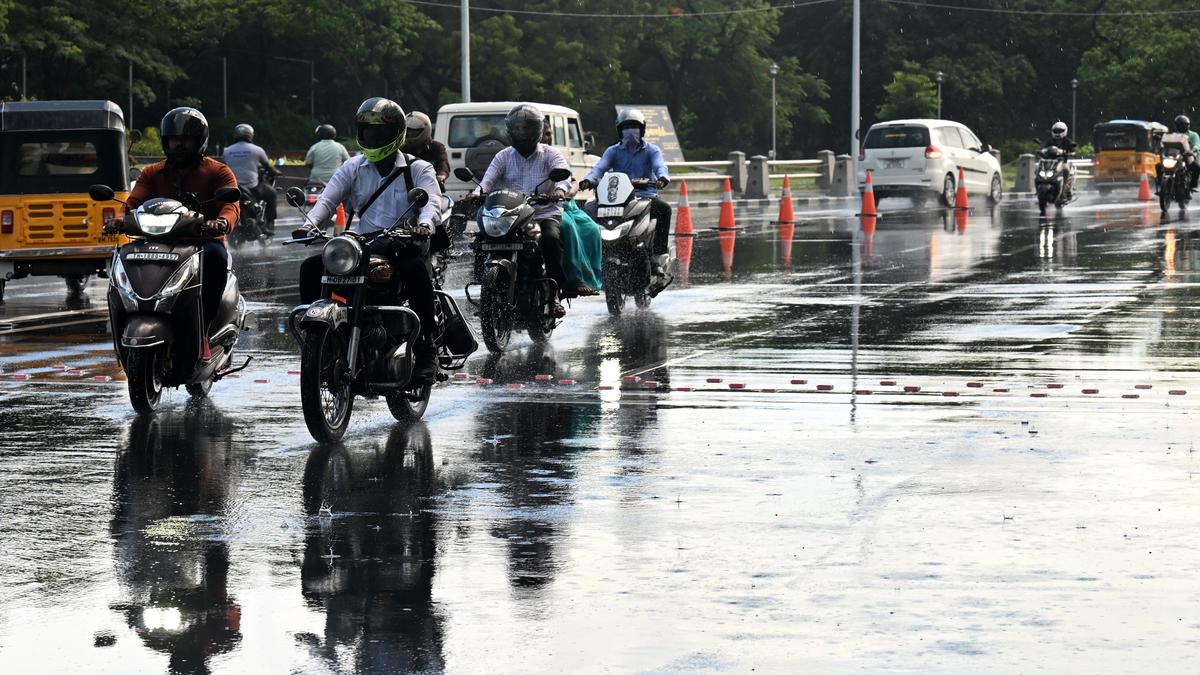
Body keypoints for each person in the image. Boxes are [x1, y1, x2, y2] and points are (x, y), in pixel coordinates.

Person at [299, 97, 443, 384]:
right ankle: (320, 340)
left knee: (416, 271)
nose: (372, 137)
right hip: (363, 245)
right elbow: (328, 199)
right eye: (367, 132)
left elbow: (432, 202)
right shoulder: (353, 167)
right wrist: (310, 224)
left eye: (379, 132)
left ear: (396, 134)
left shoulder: (418, 169)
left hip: (403, 242)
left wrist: (425, 225)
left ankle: (428, 348)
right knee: (311, 268)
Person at [122, 107, 240, 327]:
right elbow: (132, 203)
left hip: (202, 242)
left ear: (199, 142)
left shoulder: (218, 172)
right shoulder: (151, 173)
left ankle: (205, 326)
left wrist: (221, 222)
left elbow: (230, 206)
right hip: (157, 241)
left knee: (216, 257)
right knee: (124, 255)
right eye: (174, 139)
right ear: (165, 142)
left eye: (186, 139)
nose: (179, 144)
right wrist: (120, 219)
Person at [471, 104, 573, 316]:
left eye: (525, 129)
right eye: (516, 129)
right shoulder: (503, 156)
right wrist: (476, 193)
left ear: (535, 130)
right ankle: (486, 292)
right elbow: (487, 181)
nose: (520, 133)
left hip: (543, 213)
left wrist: (559, 191)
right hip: (510, 215)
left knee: (550, 240)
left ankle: (553, 295)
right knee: (481, 241)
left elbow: (564, 177)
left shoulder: (550, 154)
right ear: (510, 131)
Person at [580, 108, 672, 294]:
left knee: (665, 209)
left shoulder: (651, 150)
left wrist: (662, 178)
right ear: (619, 130)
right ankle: (589, 259)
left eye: (634, 127)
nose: (631, 131)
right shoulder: (612, 151)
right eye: (626, 127)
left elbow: (659, 165)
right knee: (588, 209)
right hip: (617, 198)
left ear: (643, 129)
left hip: (644, 197)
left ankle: (657, 258)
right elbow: (600, 168)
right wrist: (589, 180)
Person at [539, 117, 600, 297]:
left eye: (549, 134)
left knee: (592, 229)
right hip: (543, 207)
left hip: (565, 204)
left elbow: (571, 181)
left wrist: (567, 193)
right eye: (542, 134)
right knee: (568, 228)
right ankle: (574, 279)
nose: (546, 137)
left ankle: (593, 277)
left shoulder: (555, 156)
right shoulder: (518, 156)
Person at [223, 123, 278, 233]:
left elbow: (224, 166)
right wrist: (277, 172)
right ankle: (270, 223)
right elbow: (268, 167)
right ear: (250, 135)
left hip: (233, 188)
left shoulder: (227, 151)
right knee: (272, 194)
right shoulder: (257, 150)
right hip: (253, 187)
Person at [403, 111, 450, 191]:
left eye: (414, 132)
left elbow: (443, 164)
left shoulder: (436, 147)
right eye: (408, 132)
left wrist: (441, 175)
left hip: (431, 188)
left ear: (426, 130)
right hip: (407, 189)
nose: (410, 135)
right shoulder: (403, 149)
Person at [1044, 121, 1077, 201]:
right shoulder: (1050, 141)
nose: (1058, 133)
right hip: (1050, 163)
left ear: (1065, 131)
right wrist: (1042, 151)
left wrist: (1071, 153)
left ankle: (1066, 188)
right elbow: (1043, 149)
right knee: (1039, 170)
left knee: (1066, 169)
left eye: (1060, 131)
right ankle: (1040, 188)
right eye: (1056, 131)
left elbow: (1074, 151)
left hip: (1062, 163)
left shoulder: (1068, 142)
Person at [1173, 115, 1200, 190]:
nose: (1181, 127)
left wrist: (1193, 150)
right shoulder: (1174, 135)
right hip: (1175, 158)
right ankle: (1162, 185)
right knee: (1159, 165)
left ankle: (1192, 186)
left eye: (1183, 125)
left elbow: (1197, 144)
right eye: (1179, 125)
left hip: (1189, 158)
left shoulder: (1193, 135)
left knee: (1196, 167)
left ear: (1187, 125)